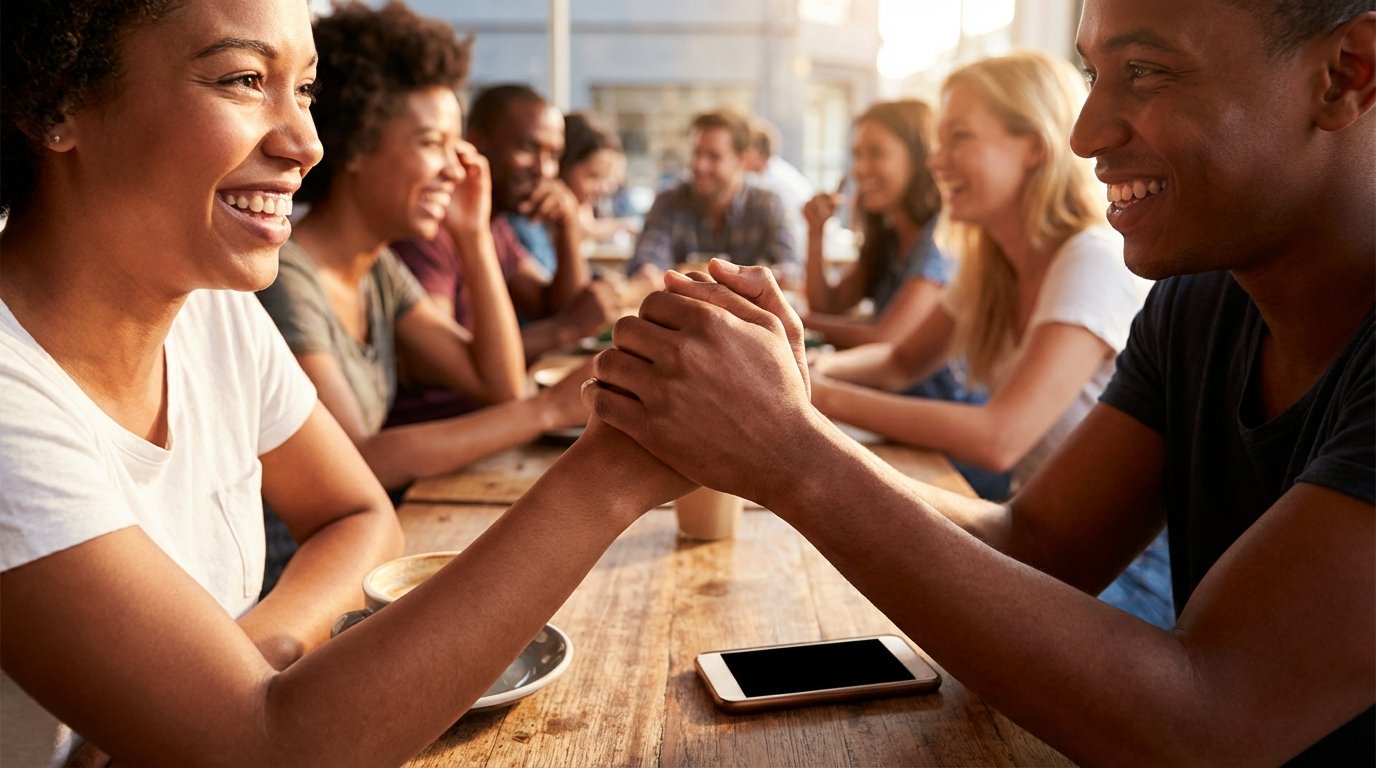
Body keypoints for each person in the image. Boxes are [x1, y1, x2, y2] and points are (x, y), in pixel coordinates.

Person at [583, 0, 1375, 762]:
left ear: (1346, 74)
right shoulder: (1200, 299)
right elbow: (1036, 545)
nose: (1084, 132)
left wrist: (792, 452)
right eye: (1093, 73)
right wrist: (784, 427)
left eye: (1145, 70)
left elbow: (1211, 724)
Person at [0, 2, 689, 763]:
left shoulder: (209, 315)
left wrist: (247, 653)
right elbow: (265, 748)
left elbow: (359, 512)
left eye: (305, 91)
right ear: (57, 100)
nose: (306, 144)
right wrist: (615, 468)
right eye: (243, 79)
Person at [256, 4, 587, 494]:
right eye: (433, 143)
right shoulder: (284, 276)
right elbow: (359, 462)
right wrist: (550, 409)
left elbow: (498, 385)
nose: (457, 169)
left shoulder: (378, 268)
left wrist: (472, 236)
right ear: (356, 148)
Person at [393, 85, 621, 376]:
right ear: (476, 142)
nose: (544, 171)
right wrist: (566, 329)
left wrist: (567, 225)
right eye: (529, 148)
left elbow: (552, 305)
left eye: (553, 156)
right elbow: (441, 366)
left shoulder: (496, 226)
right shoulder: (430, 229)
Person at [800, 100, 954, 350]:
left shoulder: (940, 237)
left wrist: (793, 319)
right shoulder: (889, 237)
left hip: (922, 390)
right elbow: (828, 306)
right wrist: (815, 232)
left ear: (919, 158)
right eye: (857, 155)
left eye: (875, 153)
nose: (859, 169)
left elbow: (885, 339)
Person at [625, 108, 797, 277]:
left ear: (742, 160)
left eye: (713, 156)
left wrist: (696, 275)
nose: (699, 165)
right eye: (696, 153)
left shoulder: (767, 205)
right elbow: (646, 267)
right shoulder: (668, 202)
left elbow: (788, 271)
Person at [741, 116, 812, 269]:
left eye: (745, 149)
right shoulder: (766, 175)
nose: (742, 155)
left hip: (796, 259)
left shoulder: (773, 185)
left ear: (758, 152)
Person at [560, 111, 637, 243]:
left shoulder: (580, 206)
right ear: (562, 165)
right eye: (593, 176)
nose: (604, 188)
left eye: (605, 177)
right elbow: (587, 228)